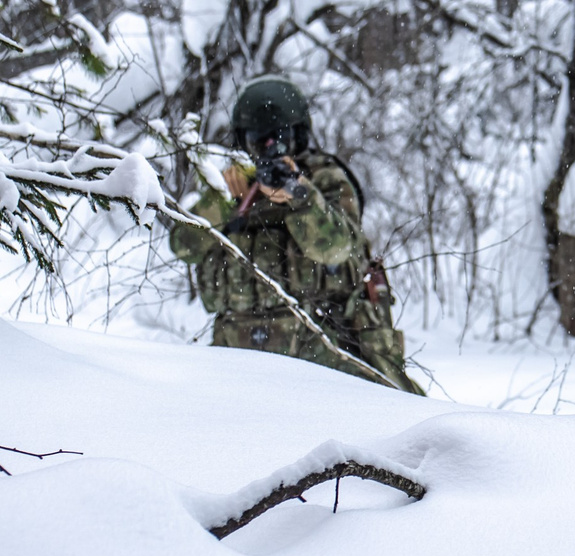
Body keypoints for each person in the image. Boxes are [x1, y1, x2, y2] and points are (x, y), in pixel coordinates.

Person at [169, 74, 423, 394]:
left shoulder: (323, 178)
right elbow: (182, 246)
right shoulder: (231, 183)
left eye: (278, 137)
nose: (268, 147)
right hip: (237, 351)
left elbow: (336, 248)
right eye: (257, 139)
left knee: (394, 407)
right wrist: (220, 202)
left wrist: (300, 196)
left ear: (298, 135)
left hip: (322, 346)